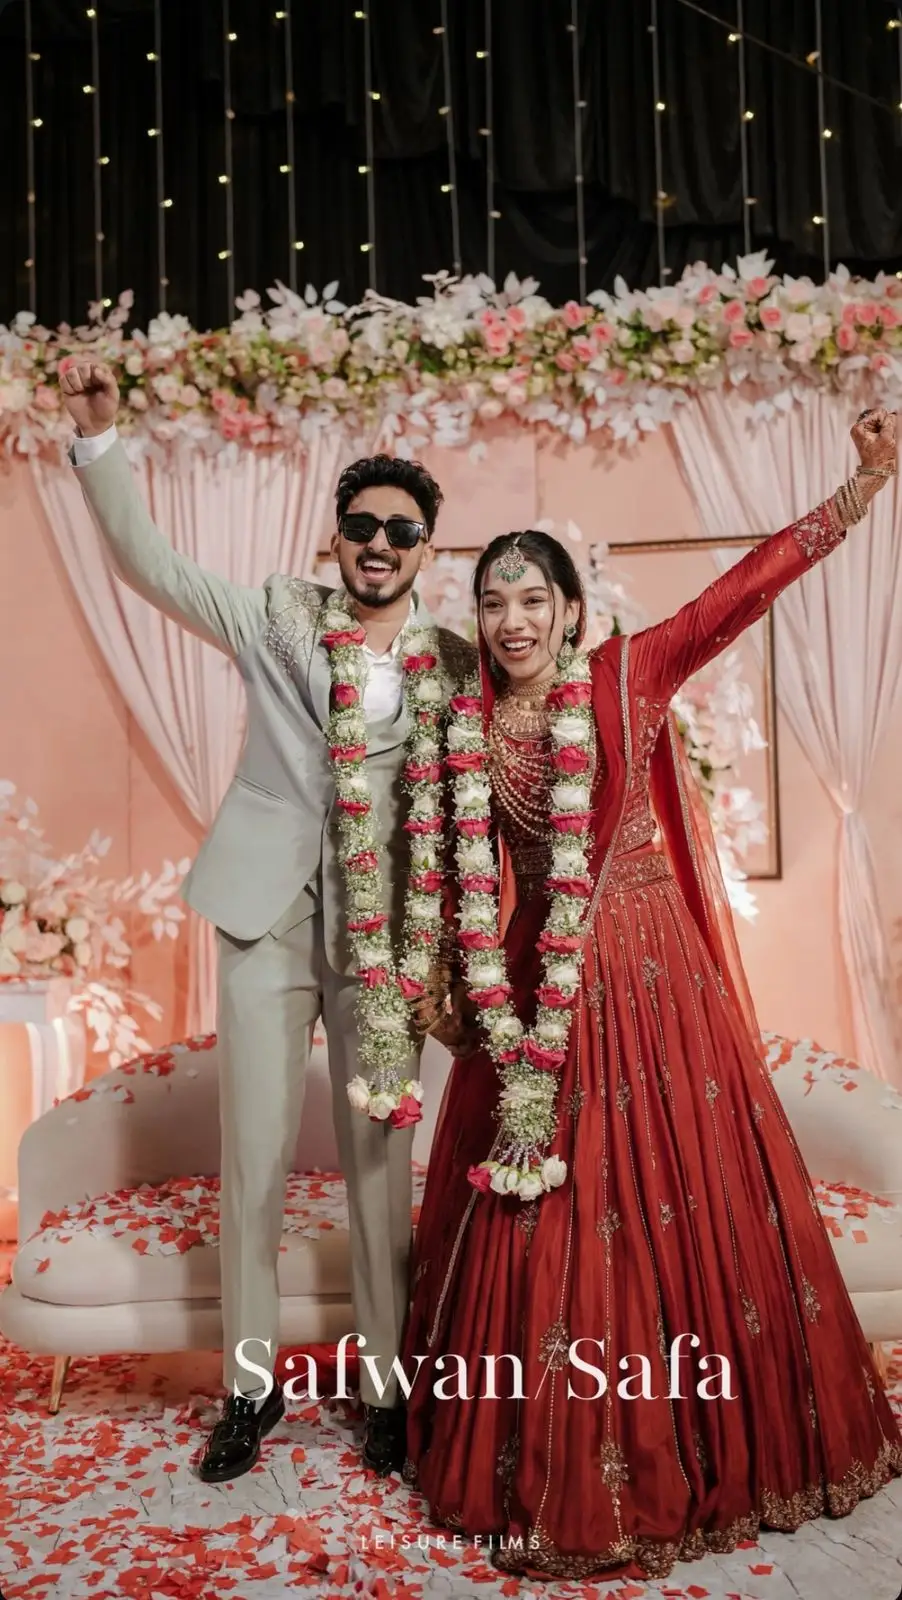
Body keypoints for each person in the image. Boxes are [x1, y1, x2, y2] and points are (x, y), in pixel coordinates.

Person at [403, 407, 902, 1580]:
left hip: (647, 976)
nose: (514, 619)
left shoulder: (631, 671)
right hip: (530, 974)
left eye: (534, 599)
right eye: (494, 601)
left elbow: (742, 590)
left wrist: (863, 484)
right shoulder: (462, 720)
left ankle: (697, 1439)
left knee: (663, 1191)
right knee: (532, 1201)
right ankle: (540, 1450)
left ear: (572, 611)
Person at [58, 359, 476, 1483]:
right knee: (249, 1165)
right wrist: (102, 445)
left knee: (381, 1166)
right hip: (261, 916)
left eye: (398, 528)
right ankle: (250, 1386)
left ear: (426, 549)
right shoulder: (273, 615)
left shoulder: (452, 663)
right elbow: (152, 568)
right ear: (332, 543)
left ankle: (386, 1389)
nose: (377, 543)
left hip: (380, 945)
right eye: (359, 527)